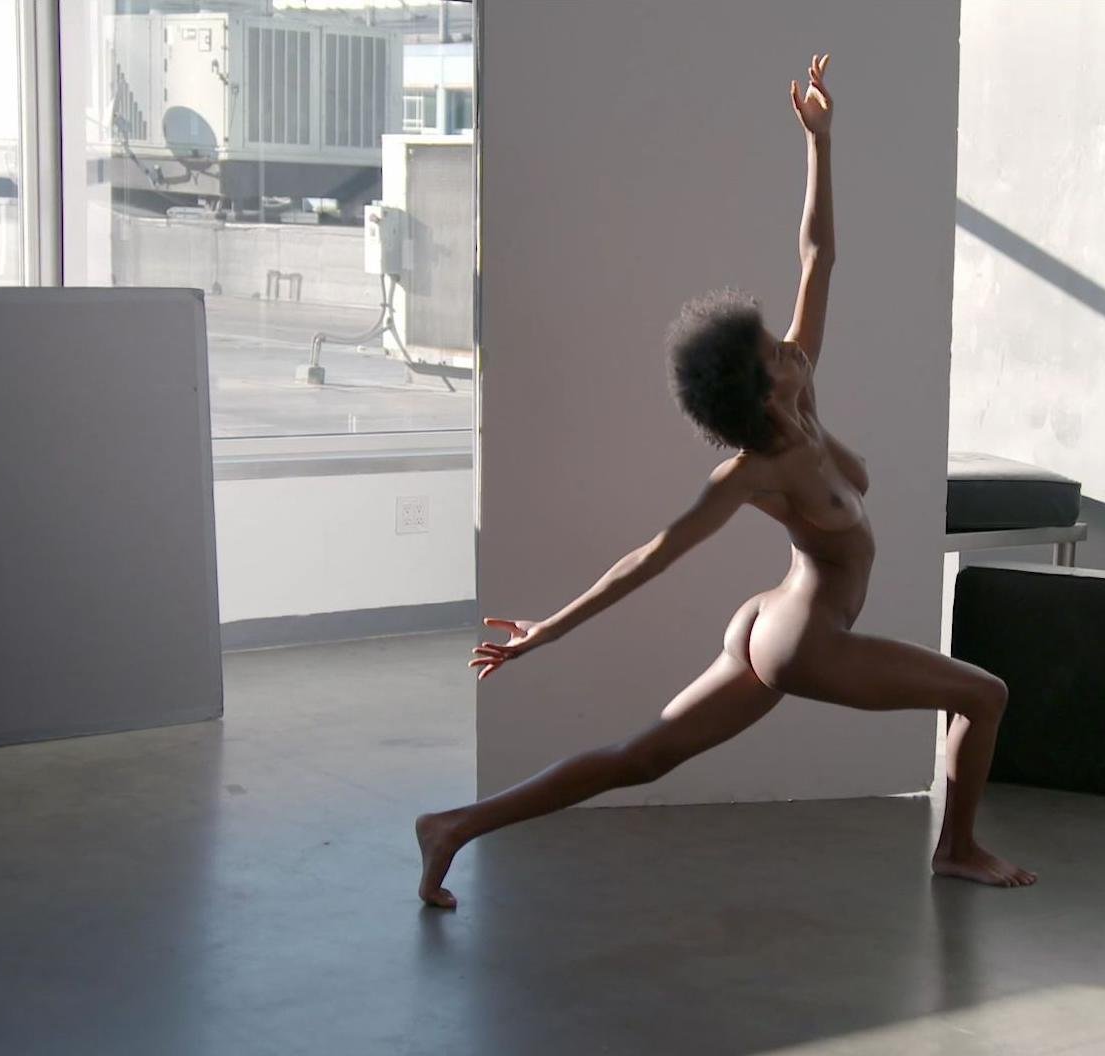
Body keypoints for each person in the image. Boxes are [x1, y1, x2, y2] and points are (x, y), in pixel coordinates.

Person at [416, 54, 1034, 909]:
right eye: (774, 353)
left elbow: (817, 256)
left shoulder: (800, 392)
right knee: (985, 693)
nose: (791, 347)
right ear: (754, 392)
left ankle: (451, 826)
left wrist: (820, 143)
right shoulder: (753, 472)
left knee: (640, 757)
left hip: (770, 621)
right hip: (802, 639)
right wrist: (545, 631)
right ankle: (957, 848)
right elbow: (652, 556)